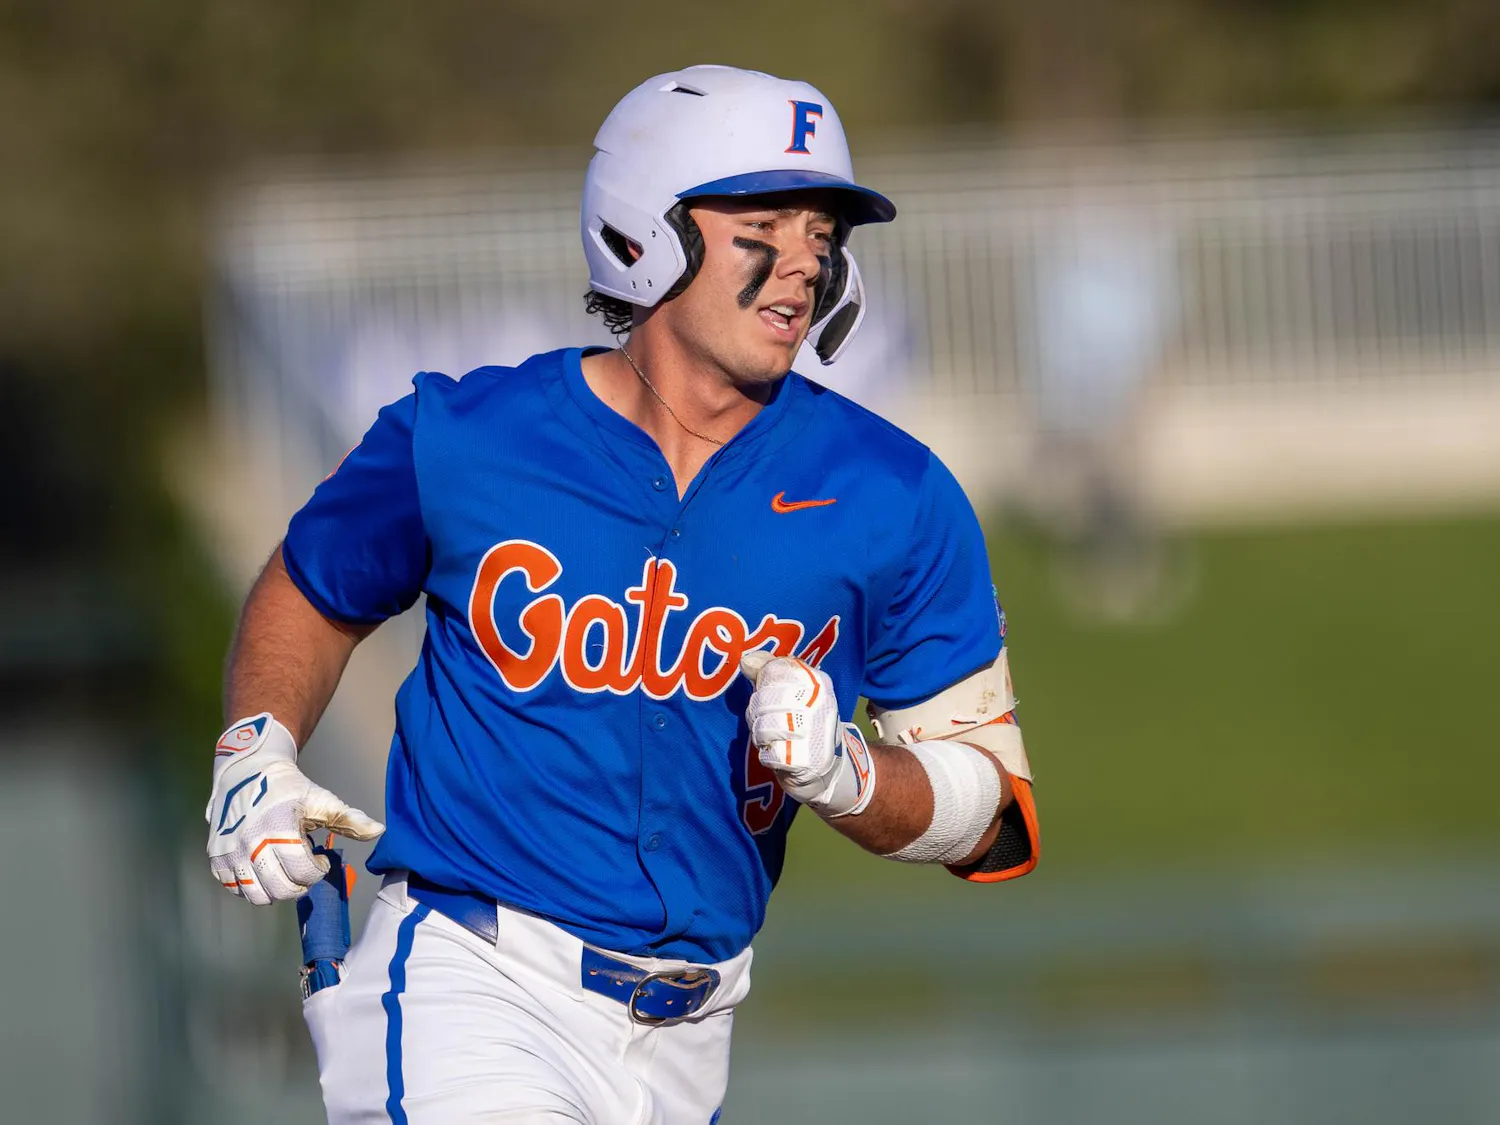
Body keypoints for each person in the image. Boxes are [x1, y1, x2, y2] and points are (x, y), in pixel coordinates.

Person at [205, 64, 1040, 1125]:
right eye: (764, 229)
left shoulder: (897, 494)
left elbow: (994, 816)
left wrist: (847, 773)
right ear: (645, 230)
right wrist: (254, 746)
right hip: (473, 981)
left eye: (823, 238)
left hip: (693, 1040)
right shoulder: (467, 437)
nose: (802, 268)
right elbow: (312, 585)